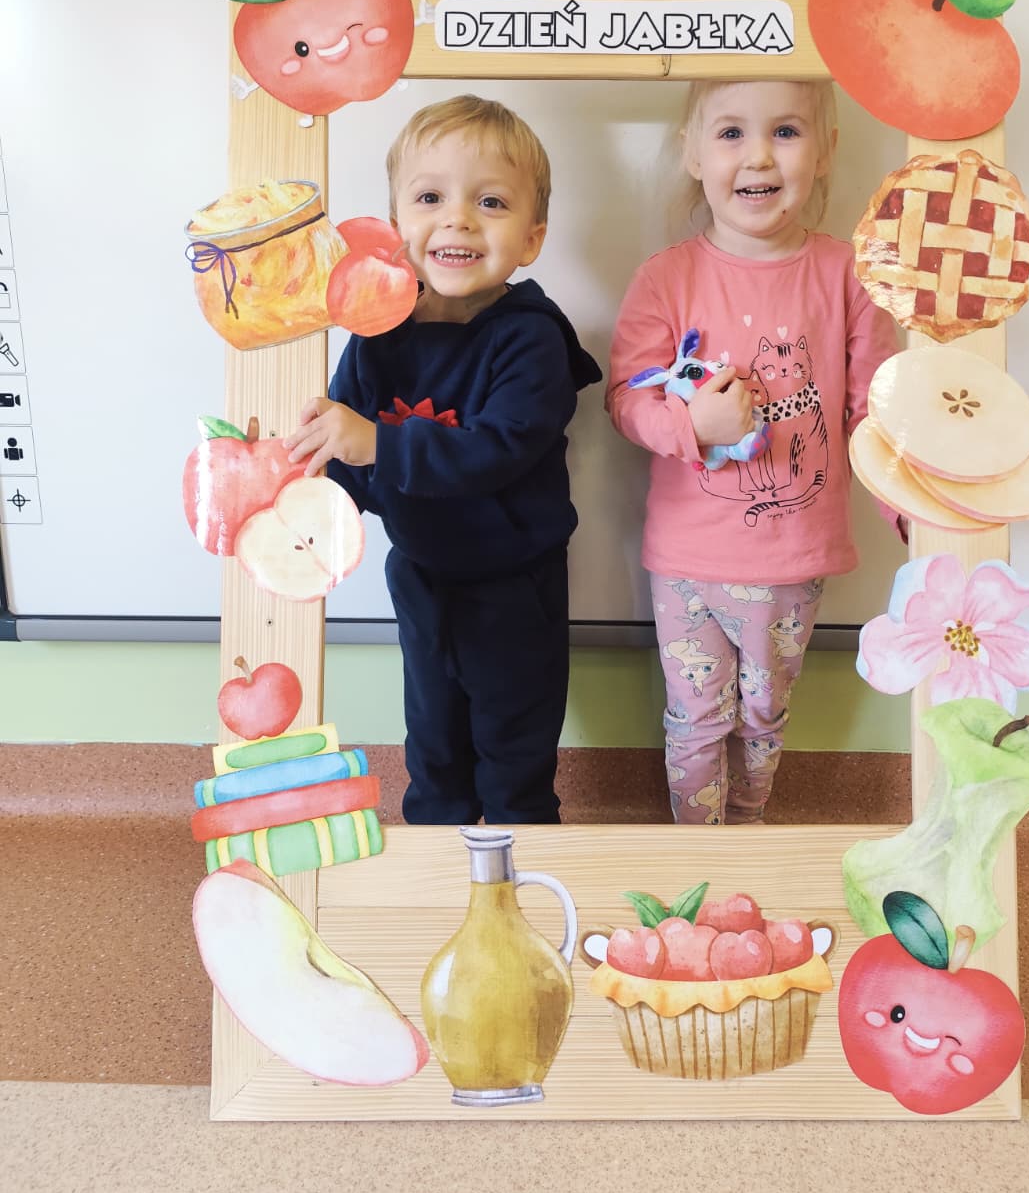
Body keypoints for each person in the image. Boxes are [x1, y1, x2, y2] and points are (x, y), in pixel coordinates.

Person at [286, 95, 601, 825]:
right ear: (394, 225)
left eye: (490, 202)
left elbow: (497, 450)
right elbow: (348, 458)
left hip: (514, 585)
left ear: (531, 238)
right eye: (430, 198)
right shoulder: (375, 333)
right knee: (432, 749)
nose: (457, 219)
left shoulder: (531, 337)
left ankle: (521, 875)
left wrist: (378, 442)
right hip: (422, 575)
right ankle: (435, 864)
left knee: (514, 757)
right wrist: (304, 487)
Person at [607, 79, 901, 825]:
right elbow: (626, 401)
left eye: (787, 132)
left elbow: (877, 413)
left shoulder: (850, 274)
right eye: (731, 133)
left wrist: (907, 505)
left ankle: (748, 834)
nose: (759, 156)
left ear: (825, 150)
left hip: (793, 560)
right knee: (696, 719)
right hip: (689, 562)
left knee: (765, 717)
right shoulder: (666, 277)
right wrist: (692, 426)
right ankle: (699, 849)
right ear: (693, 154)